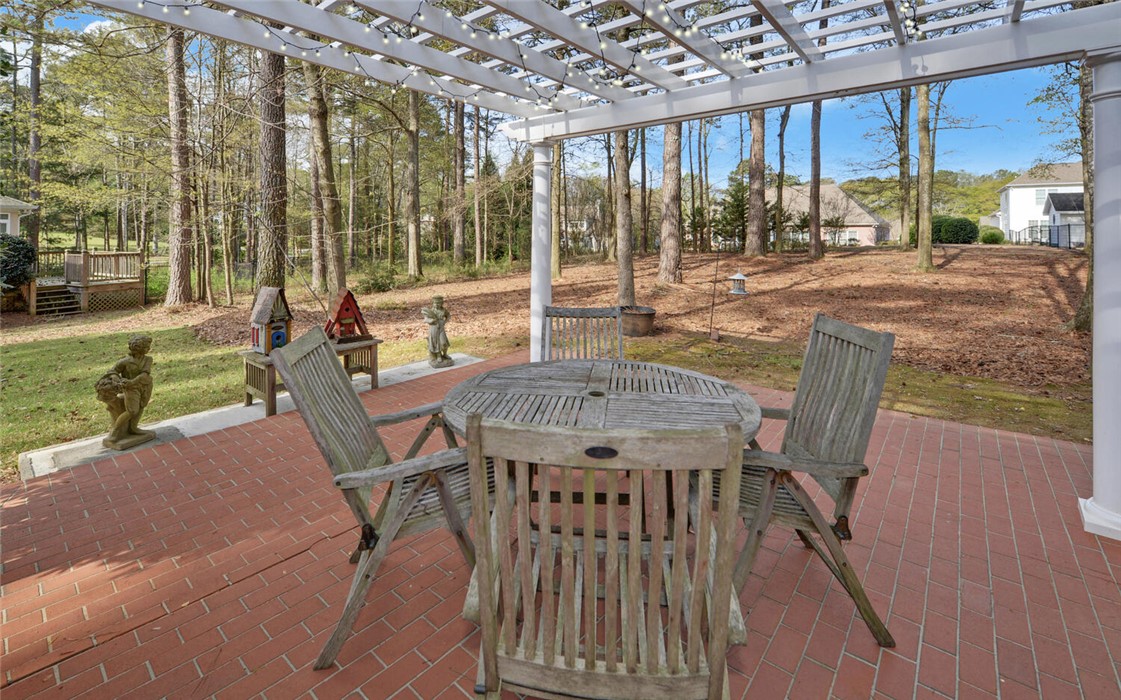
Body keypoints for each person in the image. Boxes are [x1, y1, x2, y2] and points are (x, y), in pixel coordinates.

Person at [96, 335, 156, 449]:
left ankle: (133, 428)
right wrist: (118, 380)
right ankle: (115, 433)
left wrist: (132, 381)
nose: (148, 349)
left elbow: (145, 374)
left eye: (147, 347)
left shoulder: (148, 359)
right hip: (131, 389)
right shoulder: (125, 361)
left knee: (141, 406)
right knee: (132, 411)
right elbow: (112, 371)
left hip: (145, 386)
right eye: (146, 347)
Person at [422, 296, 453, 368]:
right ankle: (438, 356)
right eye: (435, 303)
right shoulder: (431, 311)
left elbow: (448, 316)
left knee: (444, 343)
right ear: (433, 303)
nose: (437, 304)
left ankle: (444, 354)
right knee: (436, 343)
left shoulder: (443, 310)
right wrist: (432, 321)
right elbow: (425, 319)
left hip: (441, 328)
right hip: (433, 328)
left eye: (438, 303)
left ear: (442, 303)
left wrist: (445, 321)